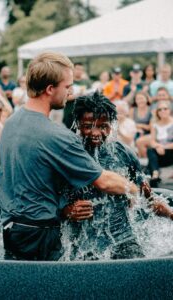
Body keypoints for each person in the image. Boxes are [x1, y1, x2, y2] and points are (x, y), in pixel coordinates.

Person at [0, 52, 138, 261]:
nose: (70, 92)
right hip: (40, 234)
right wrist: (133, 189)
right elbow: (105, 182)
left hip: (12, 229)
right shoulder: (55, 135)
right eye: (67, 86)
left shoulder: (12, 122)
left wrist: (63, 207)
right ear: (50, 89)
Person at [61, 91, 173, 261]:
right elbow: (48, 201)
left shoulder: (124, 154)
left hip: (123, 239)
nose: (96, 132)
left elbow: (148, 198)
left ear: (112, 125)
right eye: (88, 125)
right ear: (77, 124)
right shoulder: (67, 156)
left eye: (103, 126)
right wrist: (66, 210)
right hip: (84, 243)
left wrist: (172, 215)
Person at [147, 100, 173, 187]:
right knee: (150, 150)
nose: (162, 111)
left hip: (171, 153)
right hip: (160, 153)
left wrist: (163, 147)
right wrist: (158, 146)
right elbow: (152, 141)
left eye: (165, 109)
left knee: (150, 163)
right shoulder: (155, 124)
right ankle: (155, 174)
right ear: (157, 112)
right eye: (160, 109)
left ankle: (154, 175)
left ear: (169, 110)